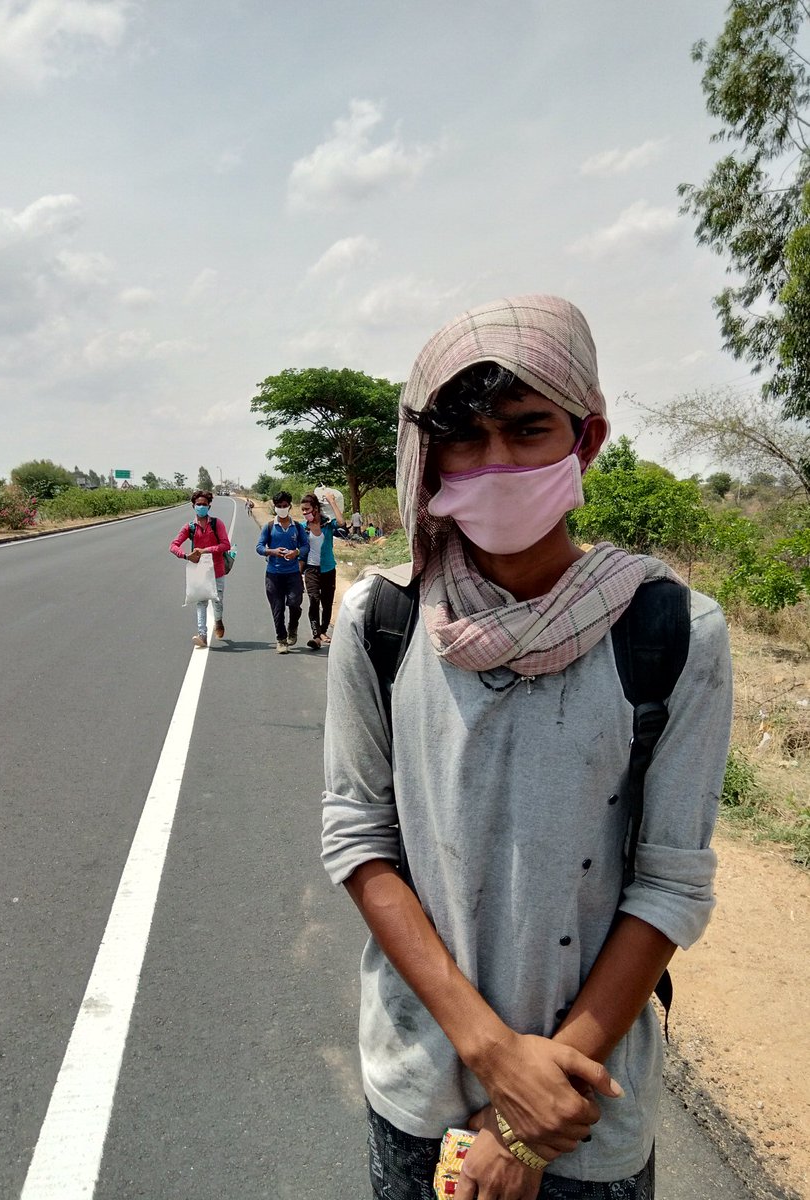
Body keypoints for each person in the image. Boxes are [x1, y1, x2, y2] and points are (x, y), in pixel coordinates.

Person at [321, 295, 732, 1200]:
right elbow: (359, 835)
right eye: (463, 438)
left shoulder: (673, 631)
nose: (495, 461)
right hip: (422, 1084)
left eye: (526, 428)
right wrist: (492, 1054)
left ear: (586, 440)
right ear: (427, 457)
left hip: (584, 1108)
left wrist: (527, 1116)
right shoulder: (381, 621)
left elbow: (670, 880)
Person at [170, 489, 231, 647]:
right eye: (198, 504)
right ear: (193, 506)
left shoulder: (217, 524)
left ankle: (218, 621)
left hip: (217, 569)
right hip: (199, 570)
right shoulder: (189, 527)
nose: (201, 507)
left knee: (217, 601)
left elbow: (225, 545)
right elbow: (173, 545)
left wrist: (205, 550)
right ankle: (202, 635)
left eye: (204, 504)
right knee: (201, 602)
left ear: (209, 506)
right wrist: (185, 555)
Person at [256, 490, 309, 653]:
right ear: (275, 507)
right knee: (277, 608)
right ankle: (281, 639)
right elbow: (259, 547)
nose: (282, 508)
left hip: (293, 573)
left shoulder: (297, 527)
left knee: (294, 604)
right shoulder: (270, 527)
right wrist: (271, 551)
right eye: (279, 506)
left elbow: (306, 546)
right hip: (273, 574)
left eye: (285, 506)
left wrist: (296, 553)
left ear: (290, 506)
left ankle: (293, 628)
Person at [299, 490, 346, 649]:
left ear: (316, 509)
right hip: (311, 570)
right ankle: (316, 635)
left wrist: (332, 502)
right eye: (303, 510)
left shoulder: (327, 523)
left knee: (327, 603)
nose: (305, 513)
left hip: (328, 569)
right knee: (313, 600)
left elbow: (341, 523)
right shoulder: (302, 528)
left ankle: (323, 631)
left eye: (307, 509)